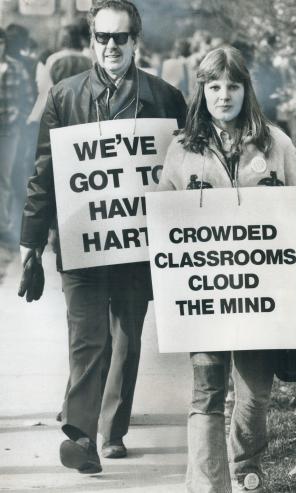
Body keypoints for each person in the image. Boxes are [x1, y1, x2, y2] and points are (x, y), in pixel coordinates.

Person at [20, 0, 186, 474]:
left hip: (139, 245)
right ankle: (80, 436)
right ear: (92, 41)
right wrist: (30, 241)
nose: (111, 46)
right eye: (103, 38)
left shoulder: (165, 98)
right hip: (81, 239)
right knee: (87, 339)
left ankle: (113, 430)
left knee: (127, 338)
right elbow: (43, 175)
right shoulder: (65, 96)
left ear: (136, 41)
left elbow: (183, 170)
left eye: (121, 37)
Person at [157, 46, 296, 492]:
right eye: (213, 87)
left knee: (253, 395)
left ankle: (247, 467)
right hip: (206, 301)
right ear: (201, 91)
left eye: (232, 86)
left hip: (259, 298)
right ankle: (207, 485)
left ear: (247, 90)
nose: (223, 96)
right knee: (206, 392)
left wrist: (289, 266)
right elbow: (167, 222)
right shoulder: (183, 150)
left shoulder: (276, 144)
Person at [0, 28, 34, 248]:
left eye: (0, 42)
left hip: (8, 133)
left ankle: (3, 226)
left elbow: (28, 100)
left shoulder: (16, 68)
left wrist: (17, 118)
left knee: (4, 178)